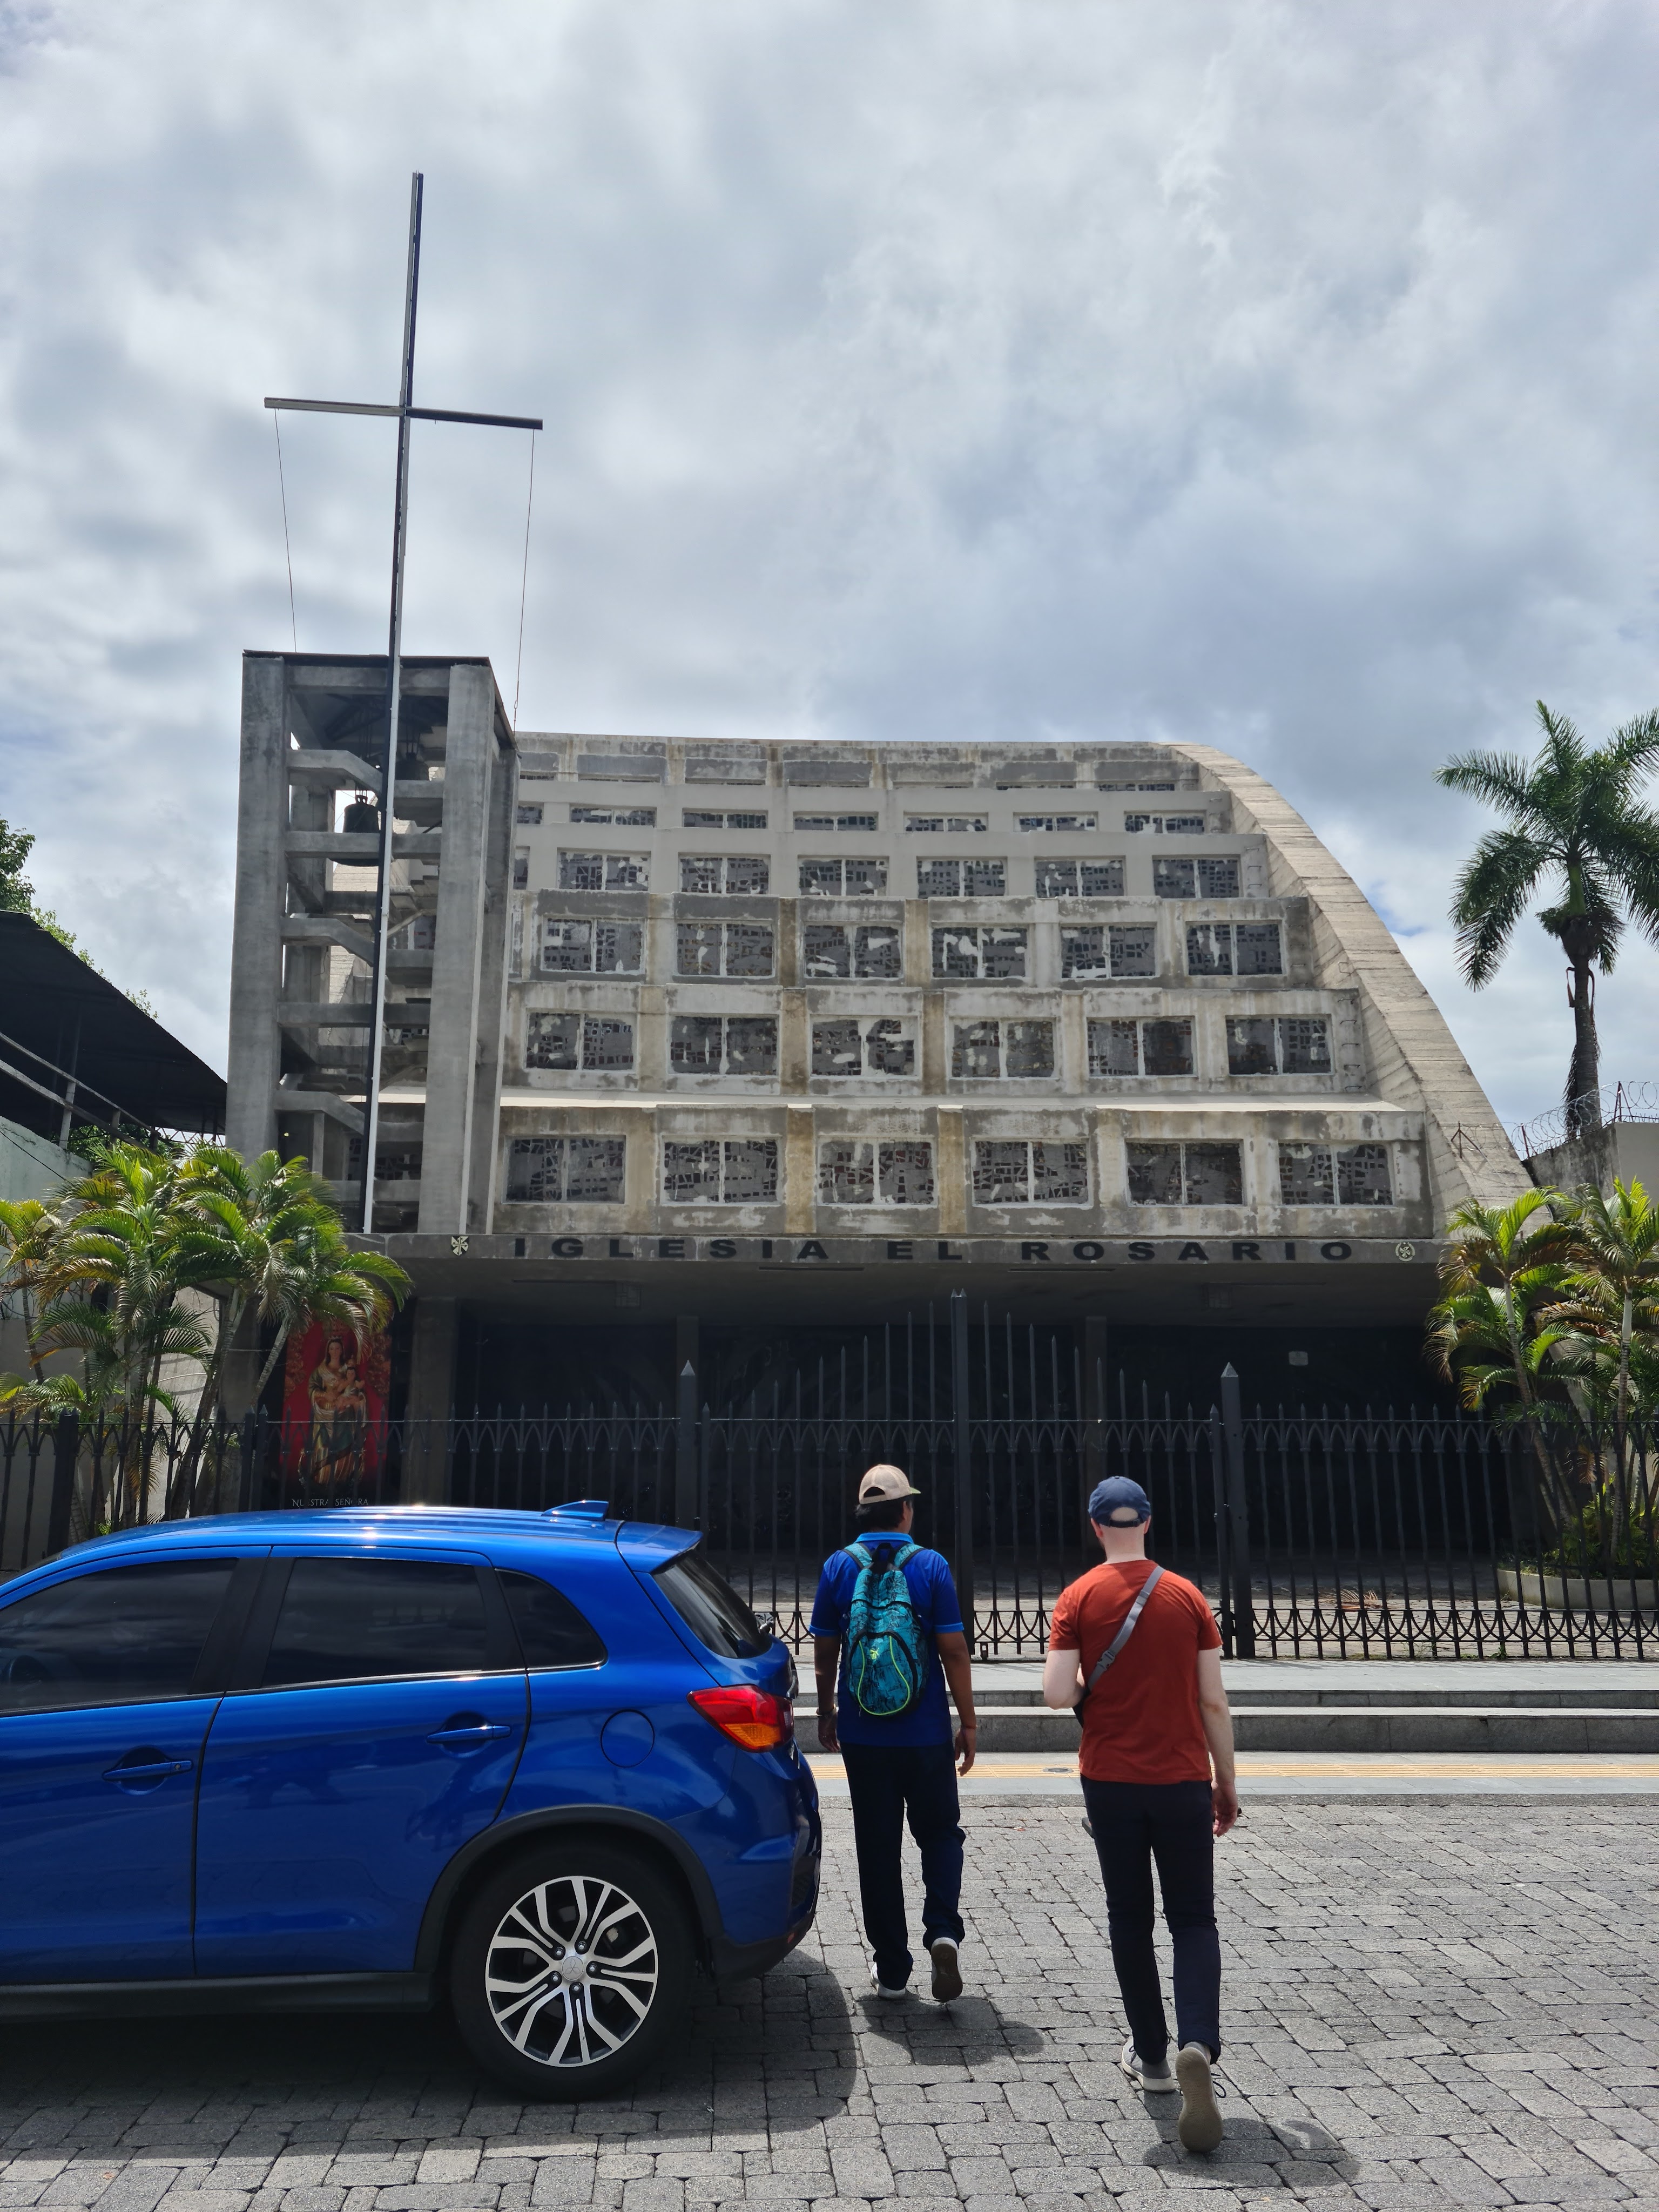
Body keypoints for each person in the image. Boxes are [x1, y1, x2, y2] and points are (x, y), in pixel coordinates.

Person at [1043, 1475, 1237, 2155]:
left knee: (1130, 1917)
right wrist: (1226, 1782)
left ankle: (1152, 2057)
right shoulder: (1187, 1596)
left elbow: (1056, 1693)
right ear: (1148, 1522)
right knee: (1194, 1919)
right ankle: (1198, 2044)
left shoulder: (1078, 1597)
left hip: (1111, 1781)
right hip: (1183, 1778)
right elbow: (1213, 1701)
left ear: (1096, 1527)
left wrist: (1092, 1680)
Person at [811, 1464, 977, 2003]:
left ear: (863, 1514)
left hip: (864, 1735)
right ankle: (943, 1930)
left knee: (877, 1847)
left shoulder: (839, 1566)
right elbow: (954, 1651)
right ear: (906, 1510)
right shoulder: (930, 1566)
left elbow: (825, 1651)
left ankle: (892, 1970)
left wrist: (828, 1709)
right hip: (925, 1734)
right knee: (941, 1833)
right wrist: (968, 1722)